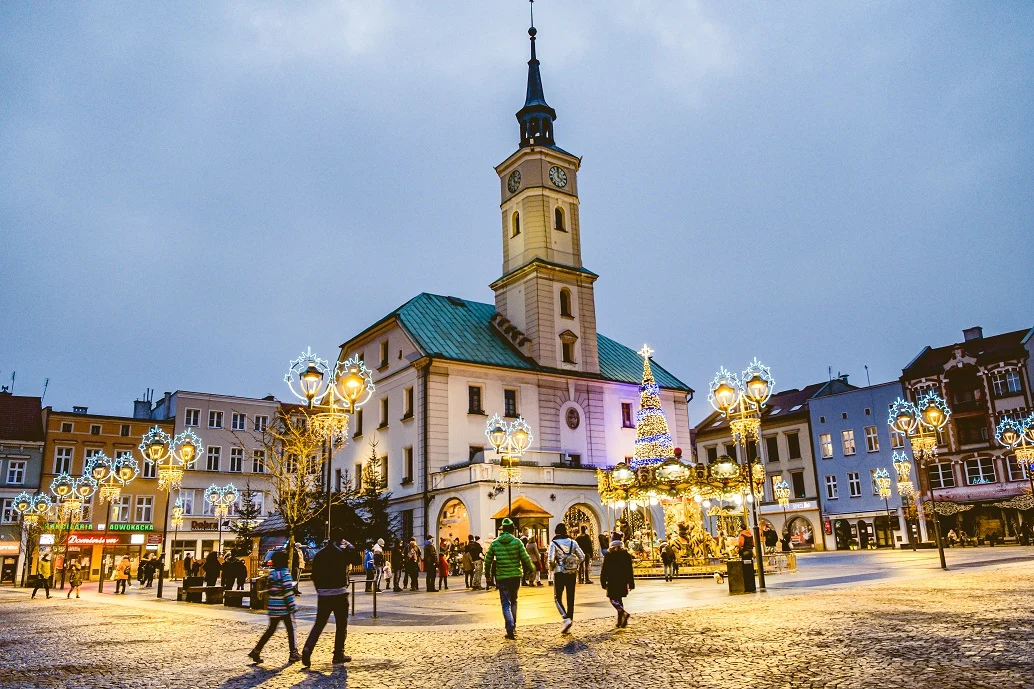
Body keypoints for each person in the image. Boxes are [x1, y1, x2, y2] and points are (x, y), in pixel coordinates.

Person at [301, 530, 361, 667]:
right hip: (339, 593)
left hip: (323, 595)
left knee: (319, 623)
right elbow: (357, 560)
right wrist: (350, 547)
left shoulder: (319, 555)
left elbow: (314, 575)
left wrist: (319, 590)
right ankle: (338, 654)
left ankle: (308, 648)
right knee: (341, 624)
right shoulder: (342, 554)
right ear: (341, 540)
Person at [484, 518, 534, 640]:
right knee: (514, 600)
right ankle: (513, 625)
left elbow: (488, 560)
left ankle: (509, 626)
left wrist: (488, 574)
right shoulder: (517, 542)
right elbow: (525, 557)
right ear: (512, 529)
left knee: (505, 603)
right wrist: (531, 568)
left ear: (502, 529)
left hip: (502, 577)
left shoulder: (495, 543)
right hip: (515, 576)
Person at [248, 550, 300, 664]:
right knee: (291, 630)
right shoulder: (285, 574)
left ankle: (256, 650)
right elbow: (287, 592)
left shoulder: (272, 574)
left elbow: (271, 589)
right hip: (284, 608)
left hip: (273, 606)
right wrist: (292, 606)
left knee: (270, 630)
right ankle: (293, 653)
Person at [547, 522, 584, 635]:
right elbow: (582, 556)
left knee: (557, 597)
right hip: (571, 573)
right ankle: (570, 620)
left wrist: (552, 567)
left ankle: (565, 618)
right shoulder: (573, 542)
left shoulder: (554, 543)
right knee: (570, 597)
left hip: (559, 573)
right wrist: (574, 564)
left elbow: (550, 560)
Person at [601, 532, 635, 628]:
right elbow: (629, 570)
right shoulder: (626, 554)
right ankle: (620, 621)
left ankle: (622, 612)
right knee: (619, 598)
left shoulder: (609, 554)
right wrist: (631, 583)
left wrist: (603, 581)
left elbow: (605, 569)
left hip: (612, 580)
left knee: (612, 599)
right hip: (623, 580)